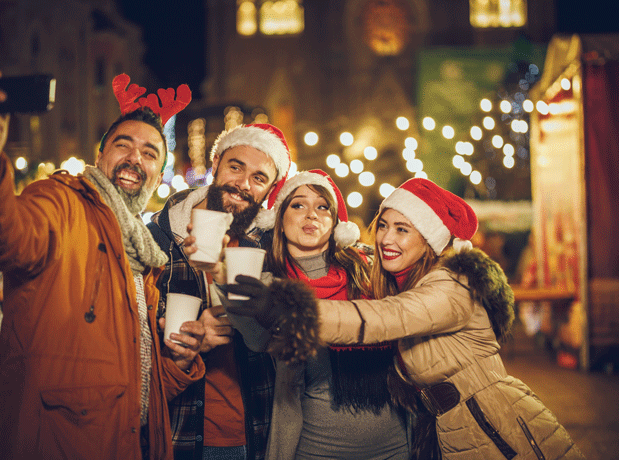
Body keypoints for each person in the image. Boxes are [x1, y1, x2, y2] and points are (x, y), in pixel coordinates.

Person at [227, 177, 585, 459]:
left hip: (493, 425)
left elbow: (384, 318)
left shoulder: (452, 283)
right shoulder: (395, 282)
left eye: (403, 229)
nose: (386, 238)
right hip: (449, 430)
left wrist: (290, 309)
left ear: (428, 239)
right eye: (383, 225)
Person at [0, 69, 206, 460]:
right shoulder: (61, 202)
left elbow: (132, 382)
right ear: (101, 155)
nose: (135, 157)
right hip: (55, 443)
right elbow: (3, 237)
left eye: (150, 152)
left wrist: (176, 363)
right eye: (123, 144)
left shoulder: (143, 253)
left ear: (157, 176)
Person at [220, 170, 413, 459]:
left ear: (335, 223)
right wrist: (219, 273)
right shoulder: (270, 286)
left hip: (396, 447)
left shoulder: (371, 271)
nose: (312, 214)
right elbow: (256, 339)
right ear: (279, 222)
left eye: (323, 207)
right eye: (298, 205)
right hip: (317, 449)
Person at [146, 123, 292, 460]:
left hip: (259, 434)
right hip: (178, 433)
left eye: (259, 178)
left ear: (268, 190)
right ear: (216, 167)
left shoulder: (272, 250)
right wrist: (194, 338)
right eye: (235, 167)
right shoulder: (160, 239)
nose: (243, 184)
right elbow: (131, 336)